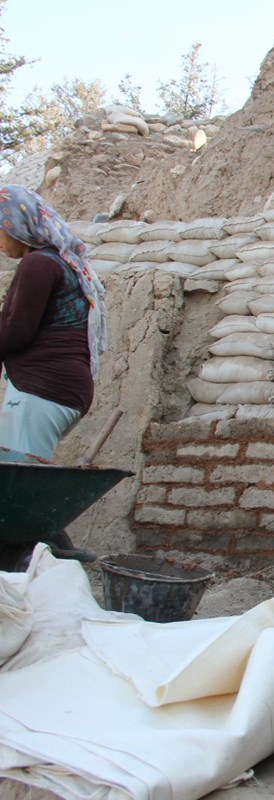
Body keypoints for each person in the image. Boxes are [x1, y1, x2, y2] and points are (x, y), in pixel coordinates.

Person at [0, 185, 108, 562]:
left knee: (19, 500)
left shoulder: (39, 264)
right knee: (22, 498)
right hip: (56, 390)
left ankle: (62, 569)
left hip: (41, 390)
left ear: (16, 224)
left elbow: (15, 333)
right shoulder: (57, 263)